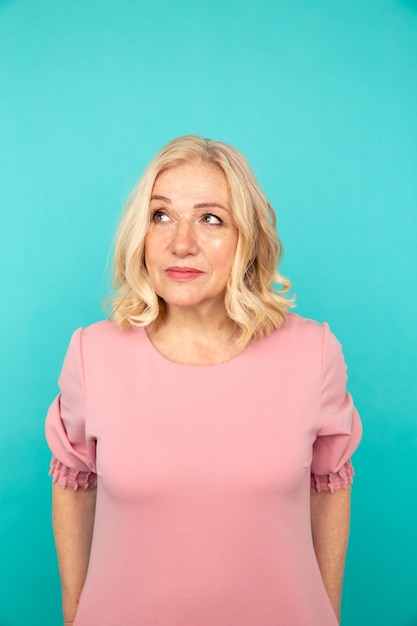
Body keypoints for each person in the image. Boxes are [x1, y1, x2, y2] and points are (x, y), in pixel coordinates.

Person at [45, 135, 362, 626]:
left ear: (248, 238)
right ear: (140, 234)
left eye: (211, 219)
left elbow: (330, 488)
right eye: (161, 216)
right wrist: (74, 613)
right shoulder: (93, 353)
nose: (181, 244)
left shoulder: (312, 352)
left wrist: (327, 614)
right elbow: (73, 484)